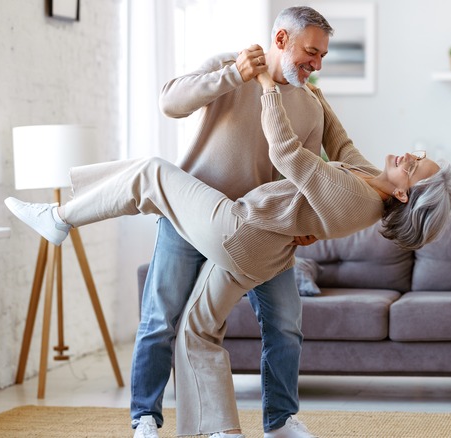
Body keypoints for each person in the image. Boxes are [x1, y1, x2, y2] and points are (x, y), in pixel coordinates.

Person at [5, 71, 451, 437]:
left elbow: (288, 153)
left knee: (152, 174)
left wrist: (267, 89)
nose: (409, 156)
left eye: (414, 167)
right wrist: (317, 97)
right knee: (198, 328)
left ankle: (60, 217)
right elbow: (340, 143)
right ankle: (221, 429)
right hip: (262, 247)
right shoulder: (367, 179)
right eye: (416, 156)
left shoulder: (355, 199)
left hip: (238, 230)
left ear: (401, 195)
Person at [132, 6, 335, 438]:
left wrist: (304, 221)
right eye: (311, 52)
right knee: (160, 318)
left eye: (321, 56)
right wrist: (233, 76)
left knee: (285, 324)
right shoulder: (231, 65)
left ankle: (279, 421)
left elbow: (303, 175)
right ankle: (144, 417)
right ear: (281, 40)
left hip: (258, 232)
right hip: (189, 218)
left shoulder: (311, 107)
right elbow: (169, 102)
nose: (317, 64)